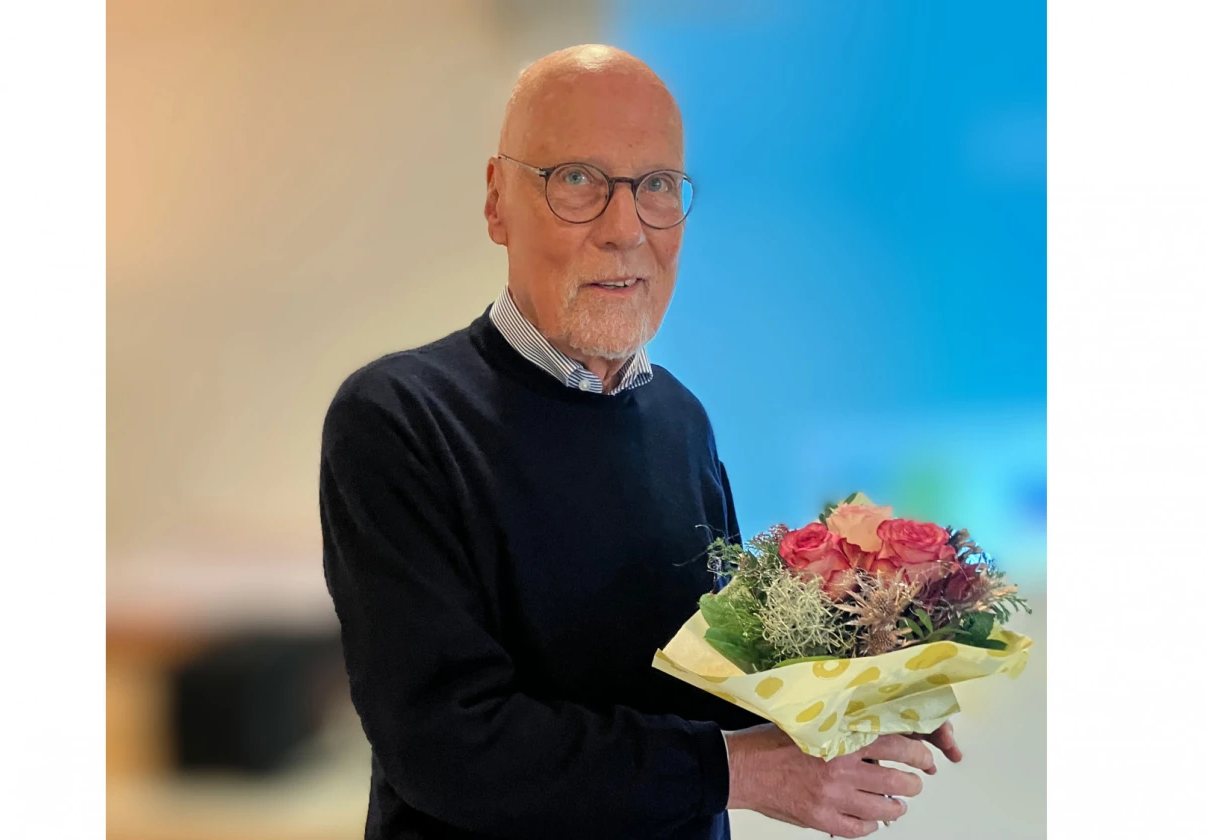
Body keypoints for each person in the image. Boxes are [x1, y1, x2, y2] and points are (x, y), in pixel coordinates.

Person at [320, 44, 962, 840]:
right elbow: (450, 746)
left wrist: (871, 685)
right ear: (497, 202)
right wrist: (744, 771)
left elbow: (702, 681)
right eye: (577, 181)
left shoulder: (681, 419)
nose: (625, 229)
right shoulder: (399, 419)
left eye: (655, 186)